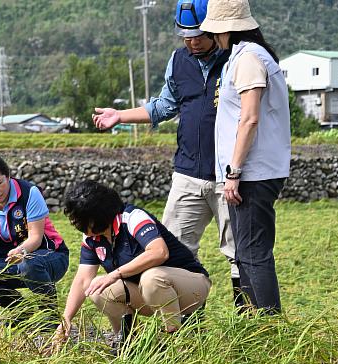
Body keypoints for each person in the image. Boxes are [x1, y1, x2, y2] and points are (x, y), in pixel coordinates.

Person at [92, 0, 244, 308]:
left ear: (215, 28)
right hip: (187, 173)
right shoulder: (178, 61)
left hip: (228, 176)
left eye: (199, 35)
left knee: (238, 250)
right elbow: (163, 106)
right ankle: (186, 327)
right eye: (185, 35)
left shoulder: (236, 59)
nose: (192, 41)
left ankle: (247, 318)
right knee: (174, 249)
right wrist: (120, 116)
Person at [200, 0, 290, 313]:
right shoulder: (246, 55)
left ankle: (269, 327)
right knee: (247, 253)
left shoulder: (249, 58)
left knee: (253, 253)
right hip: (251, 171)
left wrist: (234, 172)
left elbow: (249, 118)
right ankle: (258, 325)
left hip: (252, 173)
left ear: (225, 29)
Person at [55, 180, 211, 345]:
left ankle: (175, 341)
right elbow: (83, 280)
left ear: (96, 216)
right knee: (97, 289)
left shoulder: (132, 217)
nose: (74, 223)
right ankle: (131, 343)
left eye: (77, 218)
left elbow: (159, 252)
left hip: (190, 287)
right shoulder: (92, 237)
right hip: (149, 293)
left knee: (151, 277)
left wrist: (115, 274)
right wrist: (66, 320)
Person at [0, 154, 69, 321]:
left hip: (50, 257)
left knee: (27, 263)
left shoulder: (29, 193)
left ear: (8, 176)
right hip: (10, 262)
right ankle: (22, 312)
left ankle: (50, 315)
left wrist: (20, 251)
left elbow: (36, 237)